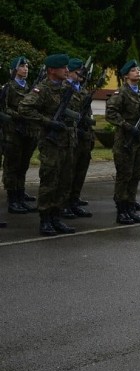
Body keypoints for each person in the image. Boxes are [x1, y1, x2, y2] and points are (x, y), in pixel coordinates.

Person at [18, 53, 78, 236]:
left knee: (64, 181)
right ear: (52, 70)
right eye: (64, 68)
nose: (67, 70)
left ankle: (57, 217)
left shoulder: (66, 87)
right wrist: (47, 121)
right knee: (49, 181)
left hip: (67, 142)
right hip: (51, 142)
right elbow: (24, 108)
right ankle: (45, 219)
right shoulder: (41, 89)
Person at [106, 60, 140, 224]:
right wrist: (127, 126)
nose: (137, 72)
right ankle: (122, 210)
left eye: (139, 69)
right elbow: (110, 113)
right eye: (133, 70)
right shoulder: (121, 93)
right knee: (124, 176)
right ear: (126, 75)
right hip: (125, 141)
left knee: (135, 176)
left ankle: (131, 207)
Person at [3, 56, 39, 215]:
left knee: (23, 164)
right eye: (22, 66)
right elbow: (4, 109)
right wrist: (19, 115)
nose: (26, 69)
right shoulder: (8, 87)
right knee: (12, 166)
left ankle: (20, 193)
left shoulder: (29, 87)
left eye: (27, 67)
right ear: (15, 69)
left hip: (28, 132)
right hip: (13, 132)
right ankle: (12, 199)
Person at [63, 58, 95, 218]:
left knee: (80, 171)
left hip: (83, 136)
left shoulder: (82, 90)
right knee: (68, 172)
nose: (82, 75)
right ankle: (64, 204)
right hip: (70, 136)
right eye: (79, 72)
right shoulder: (64, 88)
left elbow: (87, 113)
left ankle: (74, 201)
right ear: (69, 72)